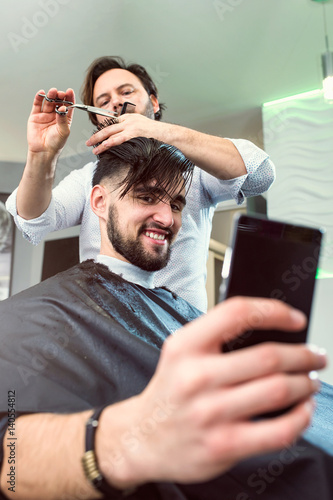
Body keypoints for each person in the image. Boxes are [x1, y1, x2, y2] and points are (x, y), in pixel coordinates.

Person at [0, 137, 332, 500]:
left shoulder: (183, 314)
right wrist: (127, 437)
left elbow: (257, 170)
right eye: (146, 197)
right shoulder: (42, 313)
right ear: (98, 201)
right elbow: (11, 464)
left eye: (176, 204)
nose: (167, 217)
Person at [5, 56, 276, 311]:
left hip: (179, 333)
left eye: (126, 92)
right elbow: (33, 221)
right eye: (104, 99)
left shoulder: (194, 168)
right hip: (105, 329)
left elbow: (259, 174)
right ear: (98, 119)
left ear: (154, 103)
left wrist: (156, 130)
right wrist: (42, 155)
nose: (115, 102)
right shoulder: (89, 179)